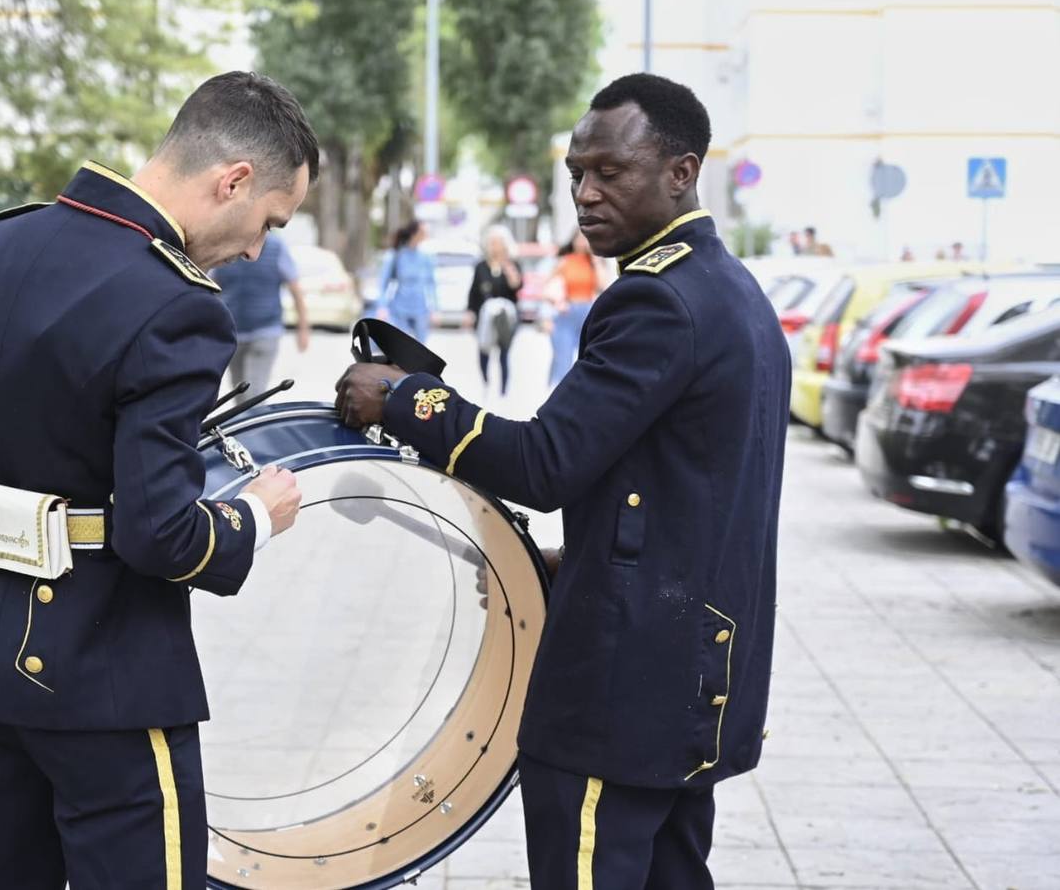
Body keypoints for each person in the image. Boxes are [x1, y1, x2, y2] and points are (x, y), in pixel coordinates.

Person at [336, 72, 789, 889]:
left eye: (610, 172)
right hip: (696, 682)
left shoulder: (657, 302)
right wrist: (570, 564)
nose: (585, 193)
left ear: (682, 172)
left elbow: (545, 463)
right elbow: (695, 494)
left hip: (622, 691)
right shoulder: (732, 291)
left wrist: (401, 397)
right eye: (577, 173)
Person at [0, 71, 316, 888]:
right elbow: (160, 535)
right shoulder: (177, 302)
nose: (258, 249)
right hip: (104, 675)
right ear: (232, 181)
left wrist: (19, 494)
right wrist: (255, 515)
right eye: (267, 220)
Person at [210, 230, 310, 396]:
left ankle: (252, 420)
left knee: (253, 392)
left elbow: (295, 289)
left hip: (265, 331)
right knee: (238, 390)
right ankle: (246, 421)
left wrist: (303, 329)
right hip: (232, 332)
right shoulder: (226, 245)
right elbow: (209, 286)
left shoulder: (276, 247)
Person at [467, 224, 523, 396]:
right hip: (485, 315)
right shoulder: (481, 266)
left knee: (504, 353)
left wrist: (509, 270)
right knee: (483, 349)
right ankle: (486, 382)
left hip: (506, 315)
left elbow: (517, 286)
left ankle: (503, 391)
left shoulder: (512, 264)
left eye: (497, 243)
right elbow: (474, 291)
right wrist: (470, 312)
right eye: (491, 242)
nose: (494, 246)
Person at [545, 229, 606, 385]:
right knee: (563, 356)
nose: (582, 242)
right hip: (568, 310)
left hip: (588, 311)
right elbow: (547, 288)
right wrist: (557, 302)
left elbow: (603, 286)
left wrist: (595, 260)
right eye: (579, 238)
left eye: (585, 239)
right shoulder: (565, 261)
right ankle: (558, 389)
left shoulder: (594, 262)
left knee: (587, 355)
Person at [378, 219, 438, 342]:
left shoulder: (425, 257)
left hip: (421, 310)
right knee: (400, 347)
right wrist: (382, 307)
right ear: (414, 233)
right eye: (423, 231)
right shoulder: (396, 255)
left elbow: (431, 284)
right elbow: (383, 283)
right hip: (399, 310)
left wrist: (435, 309)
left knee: (421, 351)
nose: (426, 234)